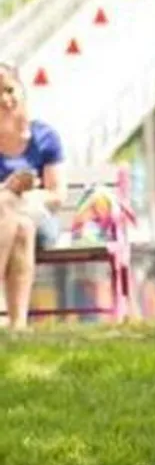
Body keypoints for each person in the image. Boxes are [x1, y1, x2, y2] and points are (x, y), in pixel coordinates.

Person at [0, 63, 67, 329]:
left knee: (16, 215)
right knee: (19, 226)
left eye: (9, 90)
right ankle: (18, 327)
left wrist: (26, 193)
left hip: (39, 216)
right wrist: (9, 189)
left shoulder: (44, 137)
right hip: (11, 221)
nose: (4, 100)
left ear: (21, 91)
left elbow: (57, 195)